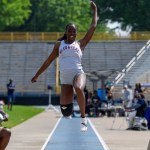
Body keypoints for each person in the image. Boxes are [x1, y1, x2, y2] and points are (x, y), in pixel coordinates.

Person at [31, 1, 97, 132]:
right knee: (66, 112)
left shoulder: (81, 44)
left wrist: (95, 10)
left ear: (77, 33)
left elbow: (93, 26)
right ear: (66, 32)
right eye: (69, 30)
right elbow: (48, 61)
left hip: (78, 73)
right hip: (65, 79)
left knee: (78, 88)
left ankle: (83, 120)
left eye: (74, 31)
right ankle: (71, 104)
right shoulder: (58, 45)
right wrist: (37, 75)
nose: (72, 32)